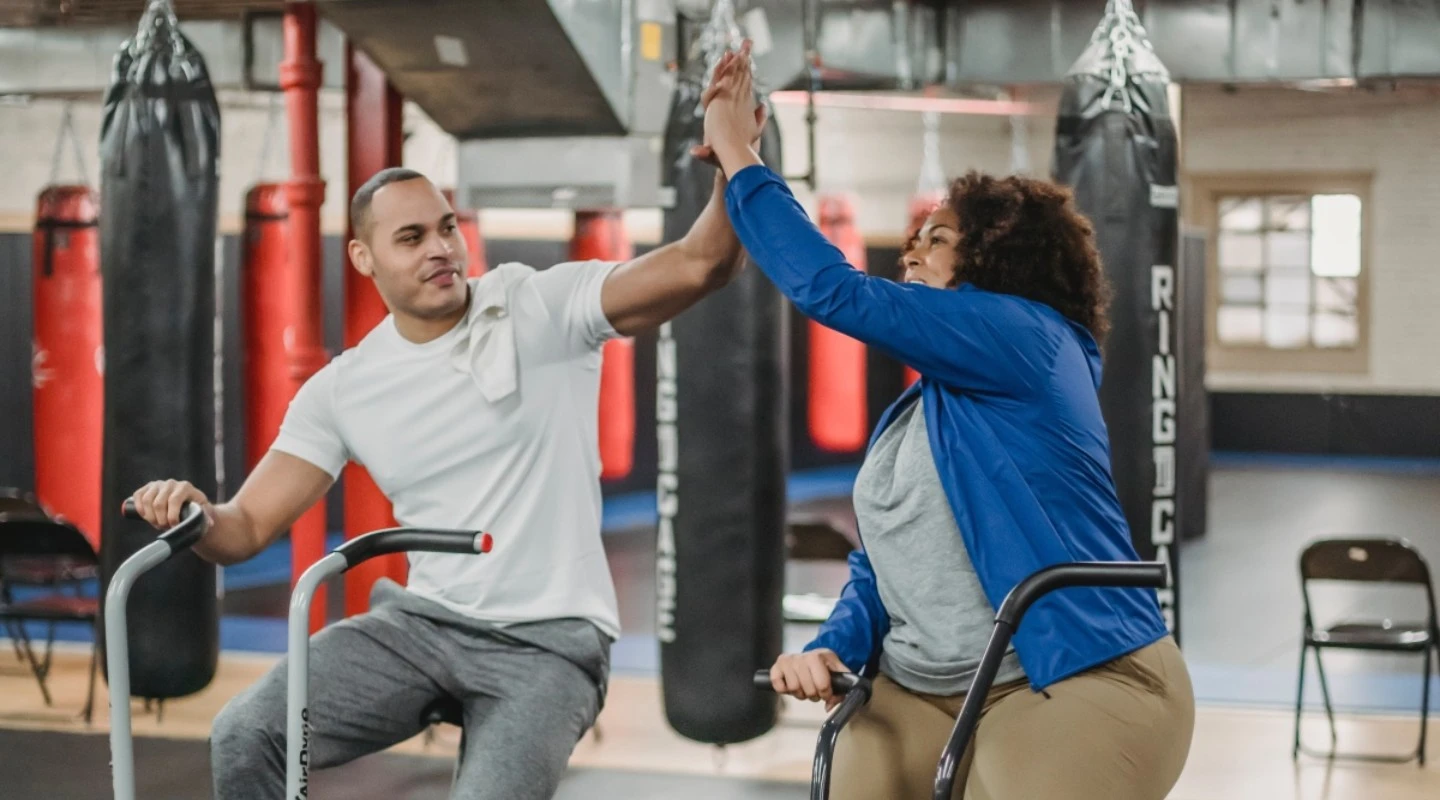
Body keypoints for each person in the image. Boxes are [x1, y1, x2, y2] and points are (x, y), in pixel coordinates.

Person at [126, 94, 764, 799]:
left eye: (447, 228)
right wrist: (195, 512)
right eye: (411, 238)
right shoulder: (345, 388)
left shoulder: (536, 308)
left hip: (550, 642)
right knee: (247, 733)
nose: (439, 249)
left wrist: (733, 157)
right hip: (421, 628)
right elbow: (243, 529)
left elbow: (704, 264)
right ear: (363, 257)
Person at [700, 46, 1194, 800]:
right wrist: (834, 646)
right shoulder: (918, 411)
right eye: (915, 238)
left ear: (1000, 261)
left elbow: (832, 290)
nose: (911, 252)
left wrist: (737, 151)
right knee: (855, 772)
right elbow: (885, 567)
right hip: (928, 686)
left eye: (936, 239)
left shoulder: (1033, 340)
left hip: (1074, 671)